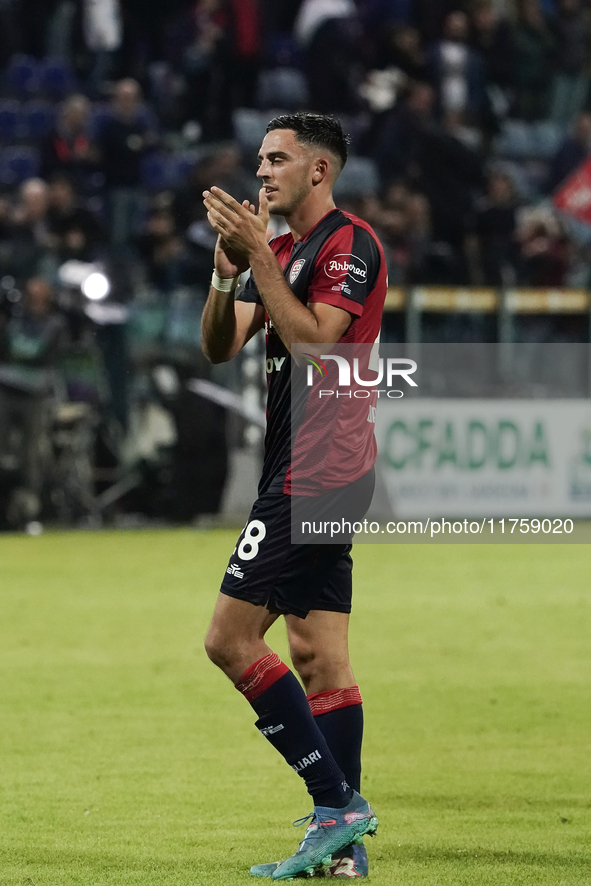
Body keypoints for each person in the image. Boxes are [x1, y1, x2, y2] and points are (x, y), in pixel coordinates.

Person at [201, 113, 387, 880]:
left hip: (318, 468)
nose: (262, 172)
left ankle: (334, 804)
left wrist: (261, 266)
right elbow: (219, 344)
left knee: (228, 639)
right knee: (317, 658)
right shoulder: (276, 250)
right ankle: (344, 849)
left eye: (277, 159)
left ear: (318, 171)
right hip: (303, 464)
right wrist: (225, 269)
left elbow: (315, 343)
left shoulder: (350, 244)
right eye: (259, 158)